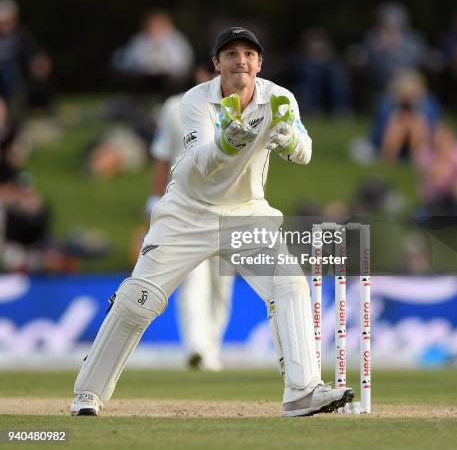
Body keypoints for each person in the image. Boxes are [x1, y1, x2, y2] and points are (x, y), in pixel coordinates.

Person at [71, 26, 354, 417]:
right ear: (216, 63)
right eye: (232, 53)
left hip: (246, 214)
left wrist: (288, 138)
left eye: (249, 54)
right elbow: (198, 166)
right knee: (139, 300)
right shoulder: (195, 102)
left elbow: (304, 153)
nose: (241, 60)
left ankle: (302, 392)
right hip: (187, 213)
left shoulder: (279, 98)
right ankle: (88, 393)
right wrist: (225, 144)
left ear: (259, 63)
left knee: (290, 285)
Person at [146, 61, 234, 371]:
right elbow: (161, 158)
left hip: (230, 206)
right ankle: (196, 347)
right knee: (193, 277)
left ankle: (211, 347)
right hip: (187, 206)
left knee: (221, 284)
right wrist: (153, 202)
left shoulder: (239, 107)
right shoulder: (174, 107)